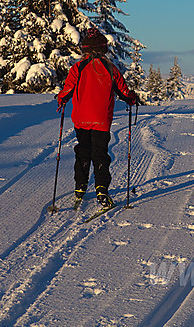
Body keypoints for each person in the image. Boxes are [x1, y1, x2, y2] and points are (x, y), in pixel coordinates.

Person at [57, 27, 137, 208]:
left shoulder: (78, 67)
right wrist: (132, 99)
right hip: (101, 120)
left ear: (84, 49)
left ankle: (80, 186)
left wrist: (61, 100)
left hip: (81, 119)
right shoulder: (111, 68)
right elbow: (124, 92)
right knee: (100, 154)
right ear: (103, 49)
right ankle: (101, 189)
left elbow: (67, 90)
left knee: (83, 151)